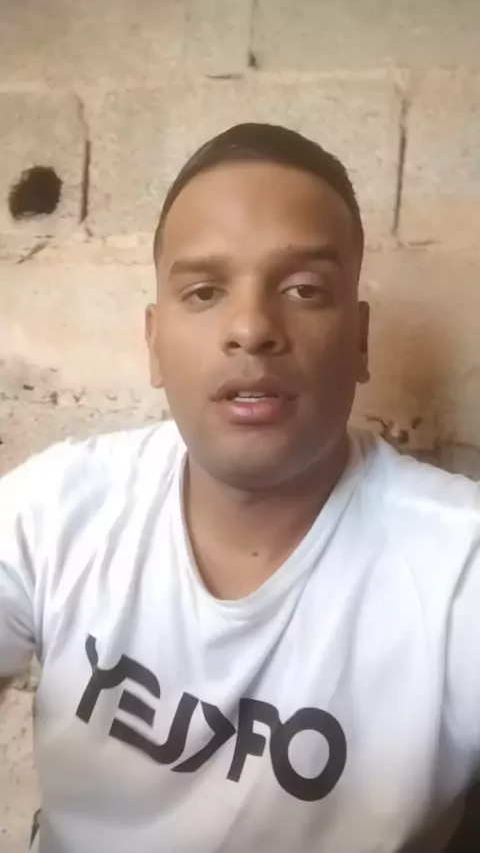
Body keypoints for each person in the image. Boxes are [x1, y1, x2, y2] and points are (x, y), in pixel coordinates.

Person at [0, 122, 479, 853]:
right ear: (154, 342)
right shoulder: (59, 507)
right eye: (204, 292)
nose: (252, 328)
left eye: (304, 289)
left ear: (360, 340)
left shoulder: (457, 570)